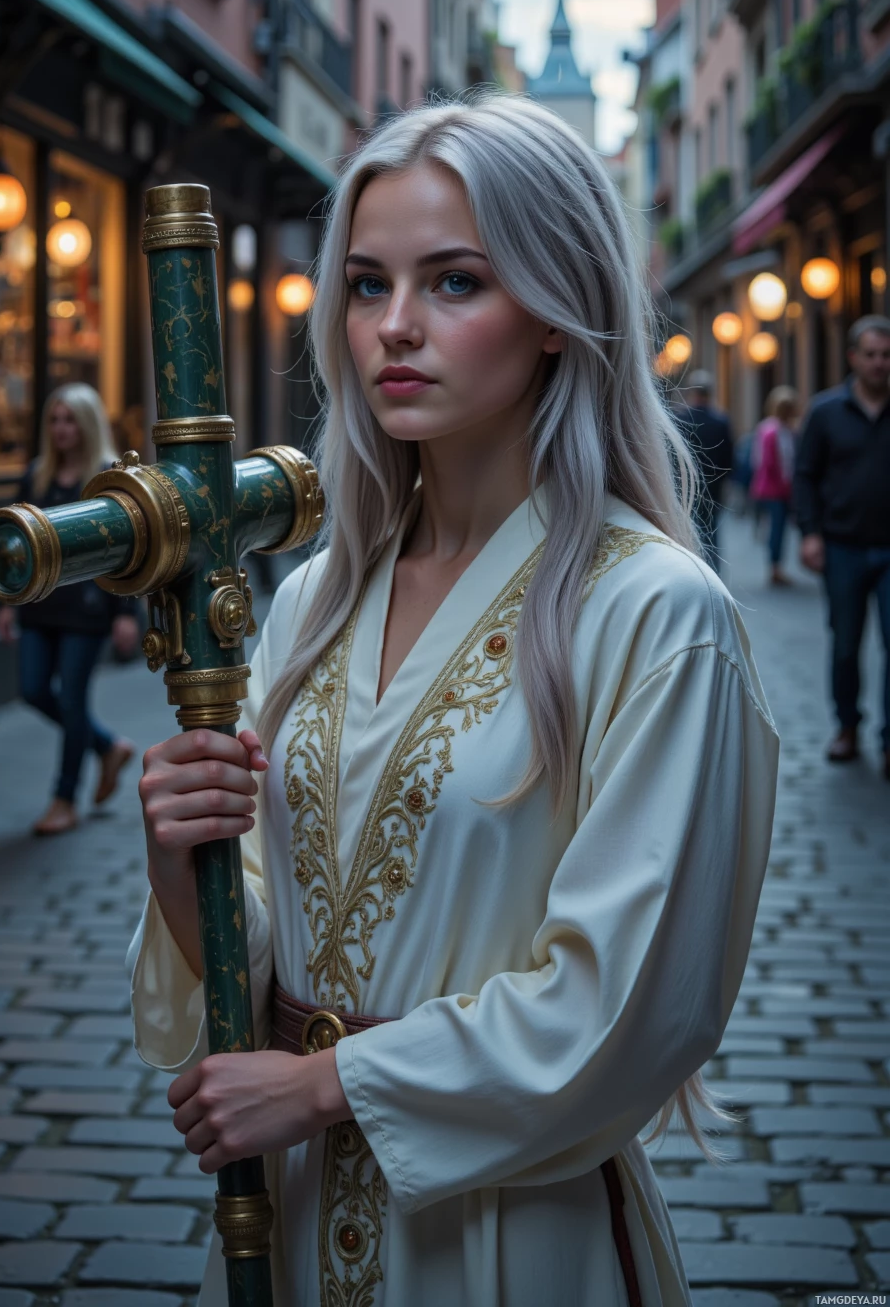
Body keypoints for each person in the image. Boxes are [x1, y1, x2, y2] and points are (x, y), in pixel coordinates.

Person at [127, 97, 778, 1307]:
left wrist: (326, 1087)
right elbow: (258, 935)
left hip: (514, 1236)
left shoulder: (655, 613)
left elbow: (628, 999)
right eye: (367, 285)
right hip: (296, 1216)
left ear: (554, 313)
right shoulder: (313, 597)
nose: (397, 327)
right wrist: (183, 859)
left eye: (456, 281)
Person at [0, 383, 138, 835]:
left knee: (73, 699)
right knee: (35, 690)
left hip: (88, 609)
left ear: (88, 423)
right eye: (55, 420)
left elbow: (127, 551)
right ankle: (106, 746)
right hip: (39, 606)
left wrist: (124, 615)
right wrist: (5, 603)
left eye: (70, 419)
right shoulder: (36, 476)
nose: (61, 429)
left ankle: (64, 799)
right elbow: (14, 547)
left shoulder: (106, 478)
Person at [795, 314, 890, 772]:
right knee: (847, 643)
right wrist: (810, 532)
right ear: (853, 357)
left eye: (886, 355)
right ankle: (847, 727)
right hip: (843, 548)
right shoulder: (826, 412)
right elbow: (805, 476)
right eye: (870, 355)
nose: (879, 363)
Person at [673, 369, 734, 571]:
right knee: (711, 531)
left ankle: (691, 570)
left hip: (684, 485)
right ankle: (712, 573)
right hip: (714, 487)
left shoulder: (680, 419)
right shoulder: (721, 421)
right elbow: (729, 459)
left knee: (687, 529)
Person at [750, 386, 799, 587]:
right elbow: (768, 463)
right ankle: (775, 567)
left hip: (782, 488)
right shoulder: (772, 430)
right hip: (773, 489)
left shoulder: (786, 430)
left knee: (778, 528)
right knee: (776, 528)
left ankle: (777, 565)